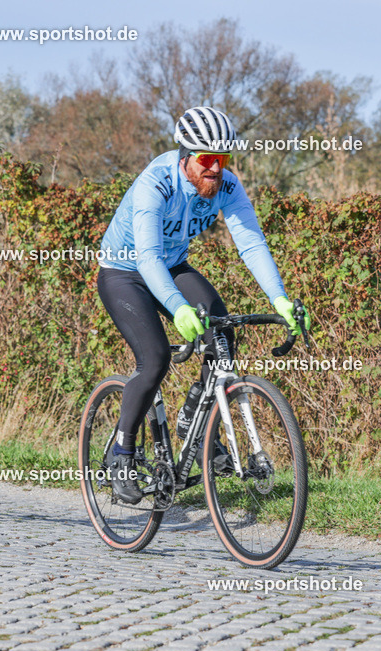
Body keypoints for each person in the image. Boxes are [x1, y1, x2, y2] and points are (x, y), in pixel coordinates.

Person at [98, 106, 306, 504]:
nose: (215, 169)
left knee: (222, 329)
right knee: (155, 359)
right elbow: (147, 258)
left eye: (223, 160)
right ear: (185, 156)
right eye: (207, 159)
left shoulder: (226, 185)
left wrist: (279, 299)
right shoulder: (155, 184)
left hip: (172, 265)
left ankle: (193, 418)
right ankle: (121, 453)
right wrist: (177, 307)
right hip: (125, 272)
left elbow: (251, 242)